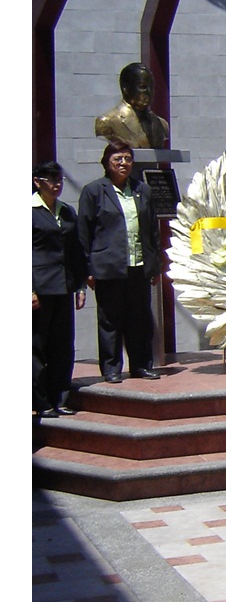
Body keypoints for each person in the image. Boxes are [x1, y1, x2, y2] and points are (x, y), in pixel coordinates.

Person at [77, 138, 162, 383]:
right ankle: (112, 368)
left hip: (138, 265)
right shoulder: (94, 191)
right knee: (110, 320)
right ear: (107, 163)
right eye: (118, 159)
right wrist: (87, 269)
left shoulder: (142, 190)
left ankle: (141, 365)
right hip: (108, 267)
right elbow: (84, 232)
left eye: (127, 159)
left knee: (139, 319)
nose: (123, 163)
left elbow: (152, 229)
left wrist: (155, 264)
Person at [33, 161, 88, 418]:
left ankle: (60, 398)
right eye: (51, 179)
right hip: (40, 288)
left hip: (63, 286)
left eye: (60, 179)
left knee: (62, 345)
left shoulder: (66, 211)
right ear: (37, 182)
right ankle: (40, 401)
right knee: (36, 347)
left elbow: (76, 250)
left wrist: (80, 285)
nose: (57, 184)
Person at [94, 62, 170, 149]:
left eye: (151, 87)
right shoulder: (106, 121)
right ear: (126, 89)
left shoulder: (162, 124)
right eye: (143, 87)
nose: (149, 92)